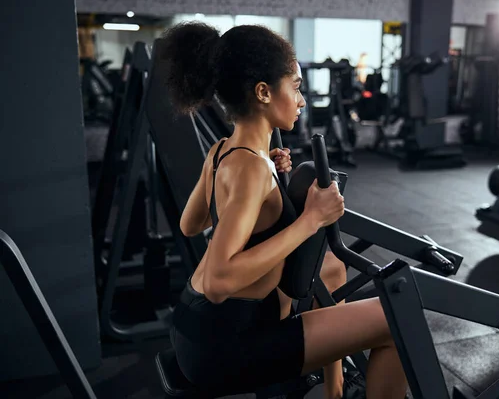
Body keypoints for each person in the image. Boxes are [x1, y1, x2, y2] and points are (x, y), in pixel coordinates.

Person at [161, 22, 408, 399]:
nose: (302, 99)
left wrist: (266, 183)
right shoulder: (251, 167)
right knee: (396, 323)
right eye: (294, 87)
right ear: (263, 92)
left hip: (192, 326)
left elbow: (190, 224)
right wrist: (312, 219)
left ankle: (335, 390)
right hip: (222, 347)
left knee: (331, 267)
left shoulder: (223, 151)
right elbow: (218, 281)